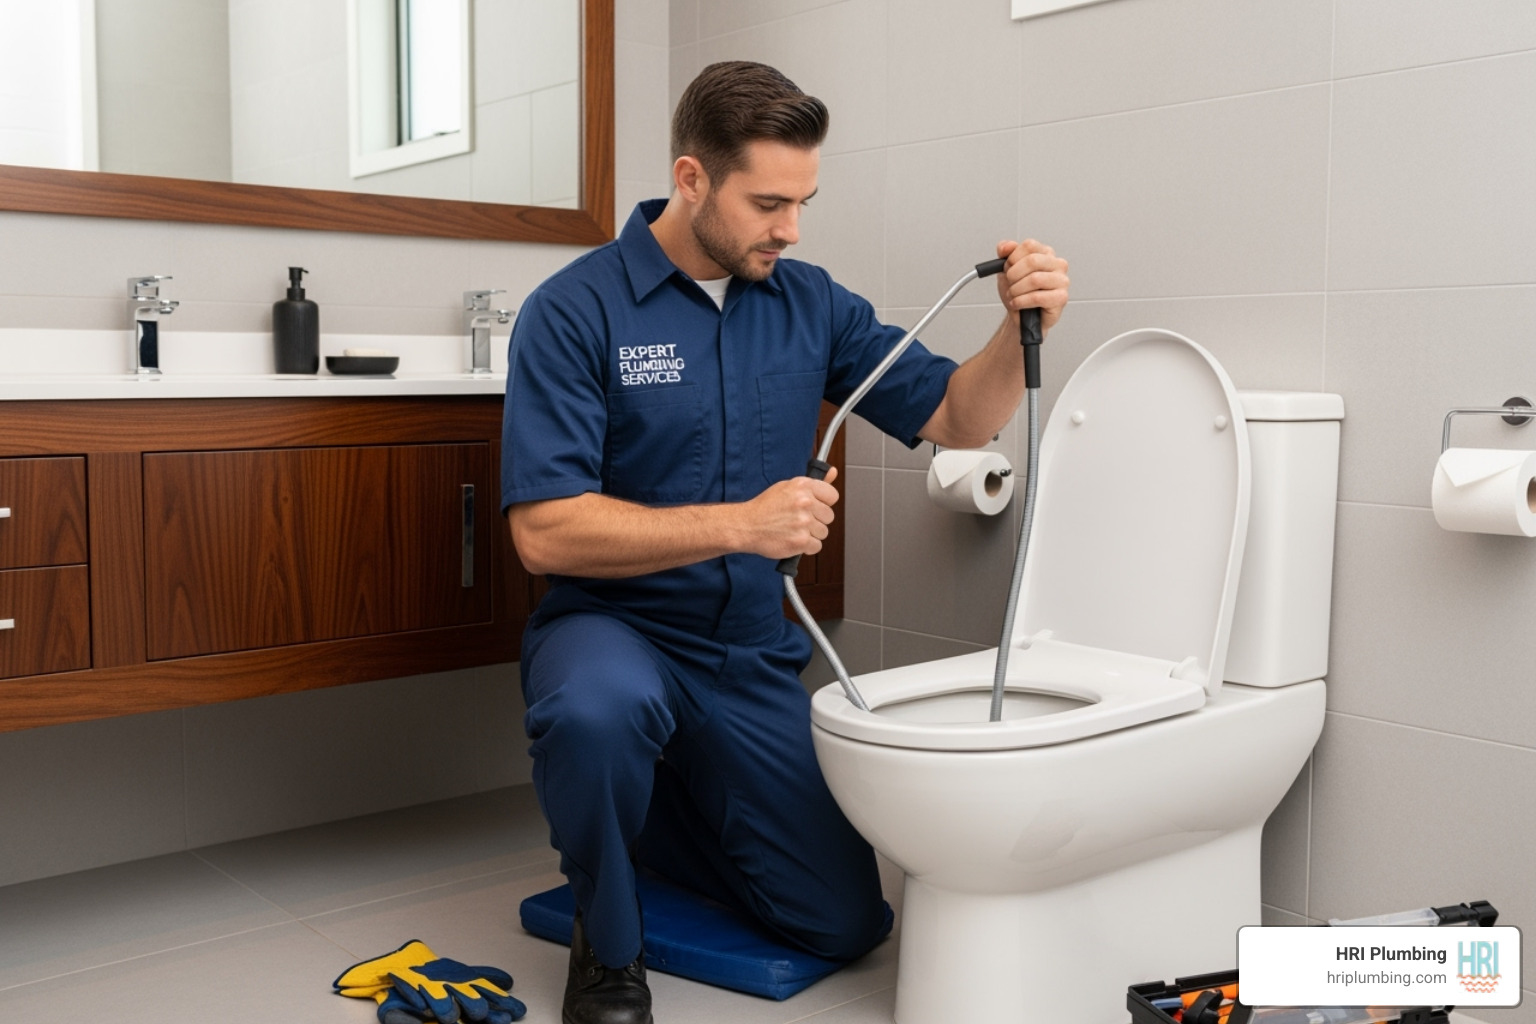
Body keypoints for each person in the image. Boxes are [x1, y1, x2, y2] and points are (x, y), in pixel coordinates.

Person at [501, 60, 1069, 1024]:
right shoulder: (575, 310)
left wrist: (1018, 328)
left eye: (803, 201)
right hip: (614, 629)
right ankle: (607, 937)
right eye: (768, 202)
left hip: (745, 656)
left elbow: (955, 417)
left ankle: (653, 809)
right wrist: (743, 525)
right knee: (599, 712)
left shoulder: (809, 302)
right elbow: (542, 532)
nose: (791, 228)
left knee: (845, 924)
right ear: (691, 180)